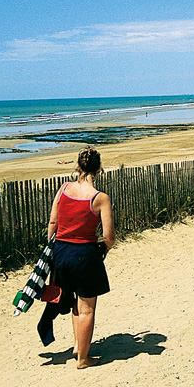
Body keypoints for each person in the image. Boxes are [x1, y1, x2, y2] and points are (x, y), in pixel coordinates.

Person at [47, 147, 116, 369]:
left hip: (61, 252)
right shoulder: (100, 198)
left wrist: (52, 250)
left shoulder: (64, 189)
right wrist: (103, 250)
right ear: (98, 170)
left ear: (78, 167)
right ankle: (83, 359)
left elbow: (53, 223)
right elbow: (109, 237)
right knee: (86, 307)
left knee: (73, 300)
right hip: (84, 254)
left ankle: (78, 345)